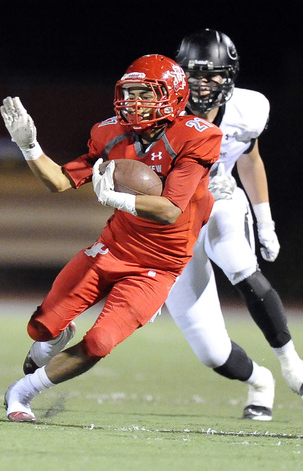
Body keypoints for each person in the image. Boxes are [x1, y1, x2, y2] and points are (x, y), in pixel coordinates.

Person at [0, 54, 274, 423]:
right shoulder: (110, 133)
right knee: (41, 327)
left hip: (159, 266)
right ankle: (56, 333)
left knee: (99, 342)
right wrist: (30, 147)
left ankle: (23, 392)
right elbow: (60, 181)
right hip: (112, 248)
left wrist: (115, 197)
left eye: (143, 93)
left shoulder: (198, 135)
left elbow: (170, 210)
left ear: (173, 94)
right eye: (127, 93)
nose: (133, 103)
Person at [164, 29, 303, 418]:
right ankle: (260, 379)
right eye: (195, 76)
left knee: (238, 261)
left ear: (231, 75)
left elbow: (249, 158)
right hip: (172, 220)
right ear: (180, 75)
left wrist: (265, 222)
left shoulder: (249, 109)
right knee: (211, 352)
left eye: (214, 76)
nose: (204, 86)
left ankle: (291, 359)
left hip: (221, 199)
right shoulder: (161, 109)